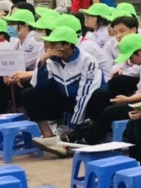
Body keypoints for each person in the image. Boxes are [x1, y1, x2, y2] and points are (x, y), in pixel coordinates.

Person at [24, 25, 104, 154]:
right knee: (29, 94)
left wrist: (73, 127)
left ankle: (70, 139)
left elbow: (85, 94)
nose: (49, 46)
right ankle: (48, 136)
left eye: (54, 43)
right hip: (66, 99)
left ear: (66, 45)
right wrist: (43, 62)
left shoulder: (87, 60)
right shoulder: (51, 60)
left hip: (87, 102)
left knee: (100, 95)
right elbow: (39, 87)